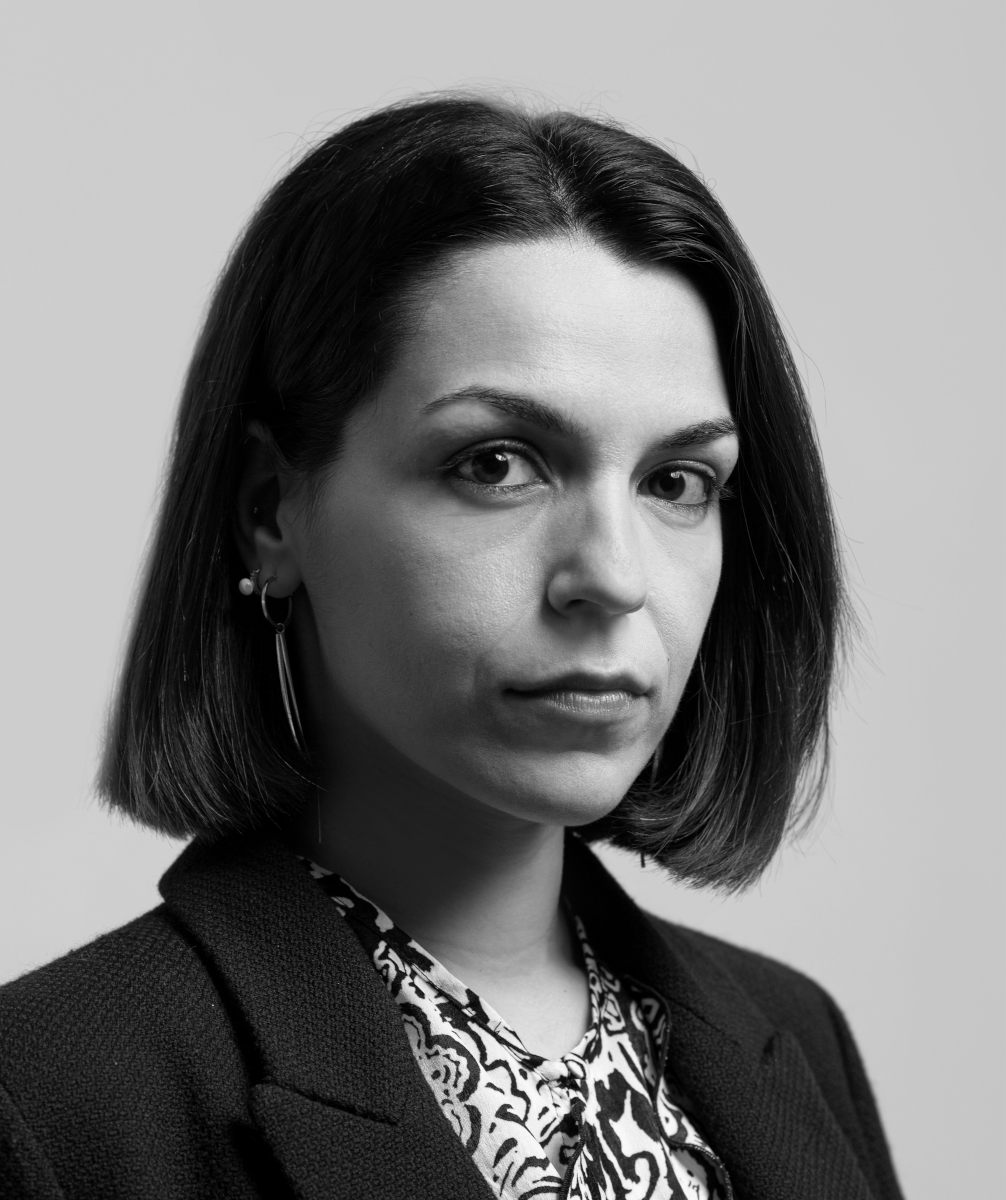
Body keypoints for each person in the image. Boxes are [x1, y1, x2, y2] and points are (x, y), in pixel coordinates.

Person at [0, 95, 904, 1200]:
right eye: (496, 464)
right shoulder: (48, 1100)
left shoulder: (796, 1037)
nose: (614, 577)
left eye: (676, 482)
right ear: (269, 510)